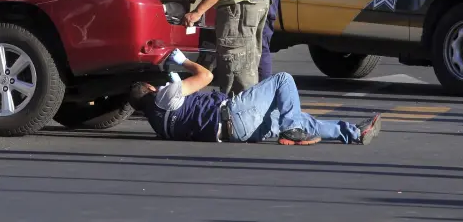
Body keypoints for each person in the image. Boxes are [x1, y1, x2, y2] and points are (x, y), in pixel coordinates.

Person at [129, 49, 381, 145]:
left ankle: (353, 133)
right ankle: (291, 129)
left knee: (296, 117)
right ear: (150, 89)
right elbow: (205, 76)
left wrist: (178, 84)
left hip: (235, 133)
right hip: (234, 113)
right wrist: (183, 60)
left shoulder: (158, 125)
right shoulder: (164, 96)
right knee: (283, 80)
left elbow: (189, 110)